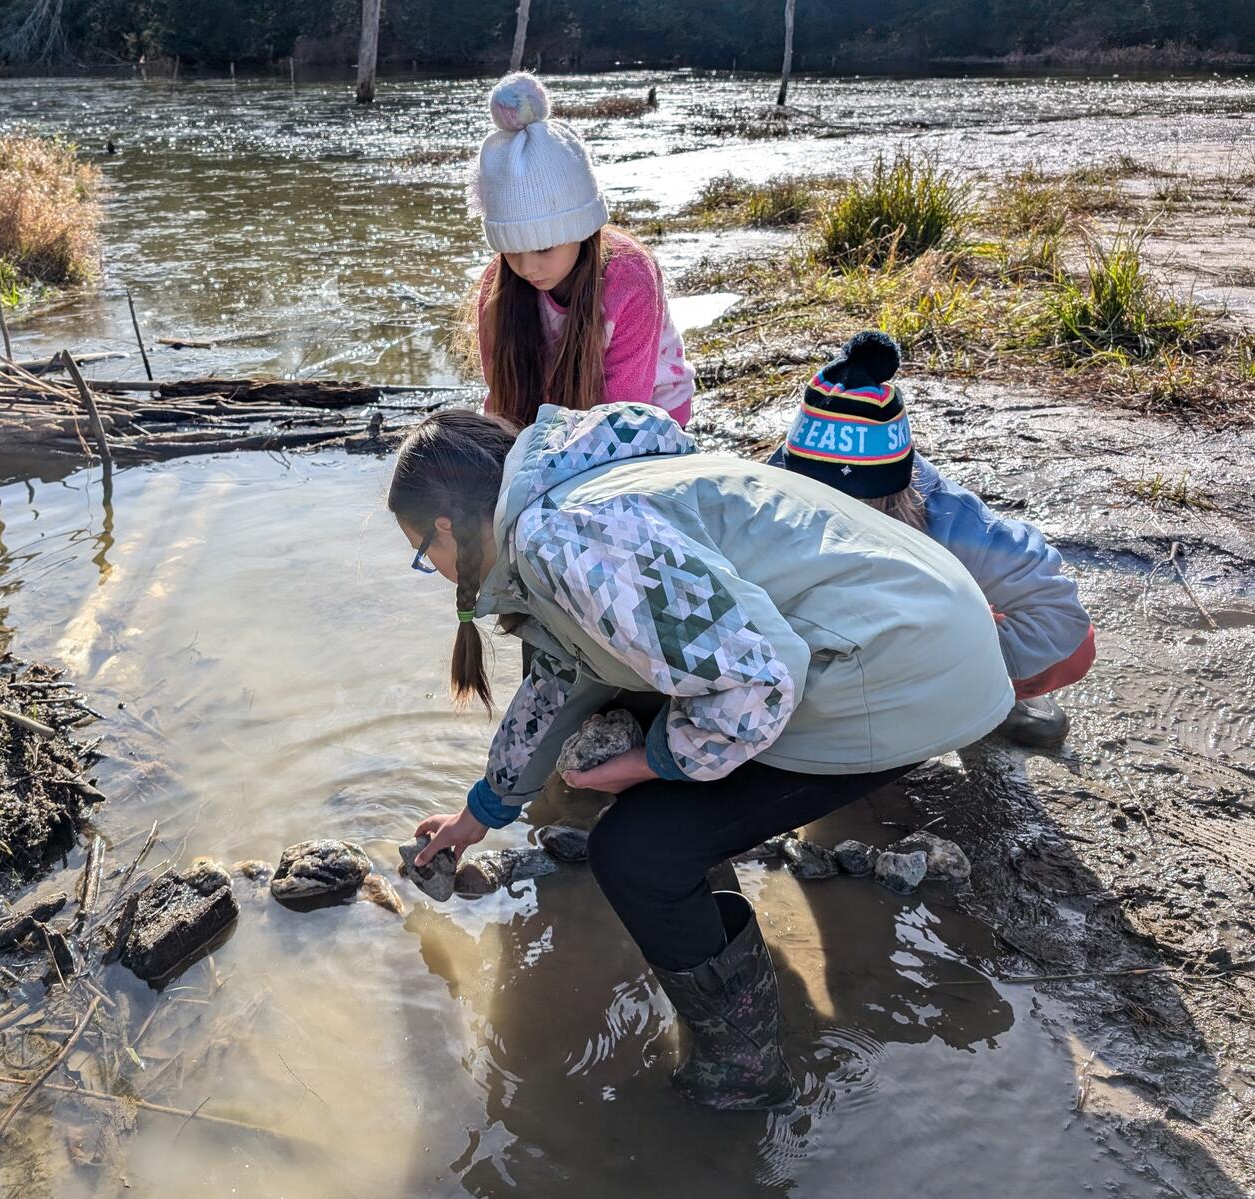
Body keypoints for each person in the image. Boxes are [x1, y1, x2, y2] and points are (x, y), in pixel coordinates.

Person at [388, 401, 1012, 1110]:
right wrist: (481, 813)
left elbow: (761, 677)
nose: (432, 568)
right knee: (658, 765)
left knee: (636, 849)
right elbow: (566, 674)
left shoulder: (559, 536)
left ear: (443, 527)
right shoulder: (577, 482)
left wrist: (650, 763)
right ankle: (727, 954)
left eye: (420, 552)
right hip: (929, 626)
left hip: (904, 671)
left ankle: (742, 1073)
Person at [768, 330, 1095, 748]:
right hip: (828, 641)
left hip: (922, 641)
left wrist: (959, 673)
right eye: (817, 504)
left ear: (894, 495)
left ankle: (990, 704)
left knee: (1075, 649)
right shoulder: (764, 495)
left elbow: (1058, 613)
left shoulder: (951, 519)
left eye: (855, 507)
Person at [469, 72, 695, 430]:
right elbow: (502, 392)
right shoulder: (496, 288)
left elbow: (626, 414)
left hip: (646, 412)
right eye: (512, 250)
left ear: (581, 230)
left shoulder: (631, 279)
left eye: (544, 247)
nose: (527, 267)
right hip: (555, 407)